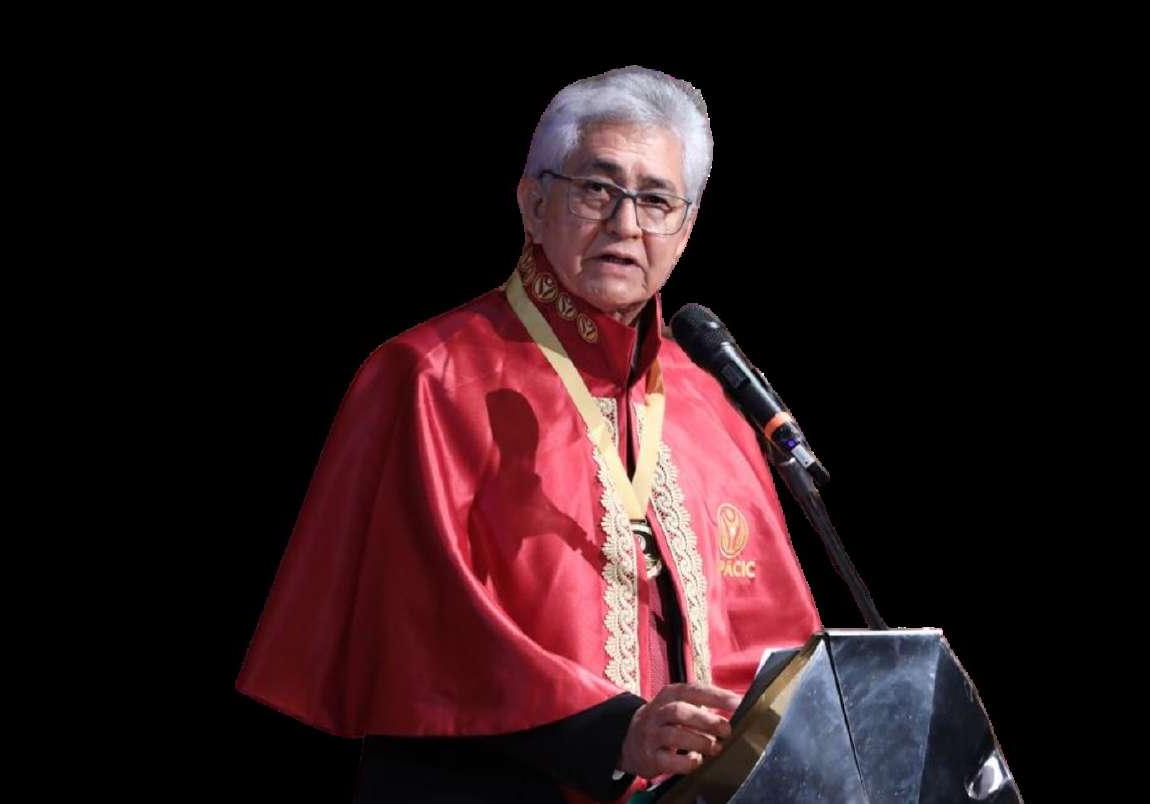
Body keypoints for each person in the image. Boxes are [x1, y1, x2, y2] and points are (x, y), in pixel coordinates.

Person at [236, 65, 823, 803]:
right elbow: (425, 626)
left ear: (686, 227)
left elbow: (775, 651)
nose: (626, 224)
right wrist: (610, 733)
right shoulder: (428, 375)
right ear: (532, 202)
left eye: (655, 200)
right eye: (597, 189)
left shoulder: (710, 401)